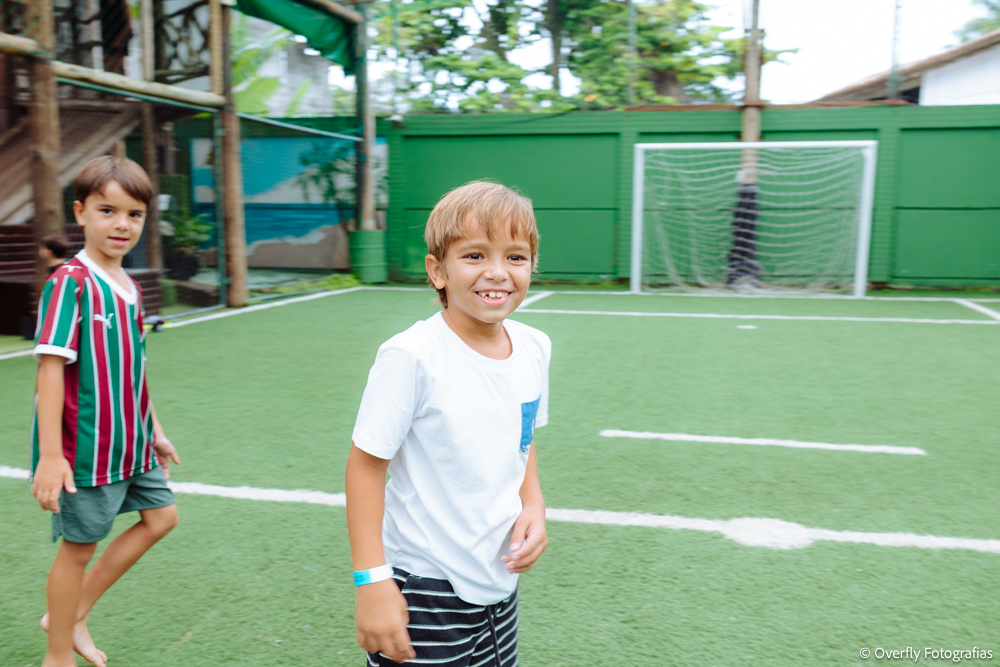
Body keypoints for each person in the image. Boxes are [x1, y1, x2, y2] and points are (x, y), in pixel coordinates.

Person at [346, 180, 551, 666]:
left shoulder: (534, 347)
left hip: (498, 577)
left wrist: (534, 504)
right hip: (425, 587)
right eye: (475, 256)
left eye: (516, 257)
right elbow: (365, 468)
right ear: (437, 271)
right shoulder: (412, 357)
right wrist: (372, 580)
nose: (497, 273)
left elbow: (522, 439)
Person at [31, 156, 181, 667]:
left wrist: (155, 431)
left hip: (133, 442)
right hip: (85, 447)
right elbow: (50, 370)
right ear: (81, 213)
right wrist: (52, 456)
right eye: (107, 210)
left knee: (161, 518)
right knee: (79, 548)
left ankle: (72, 614)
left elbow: (133, 368)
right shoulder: (69, 281)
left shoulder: (131, 287)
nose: (121, 224)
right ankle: (57, 656)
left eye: (134, 214)